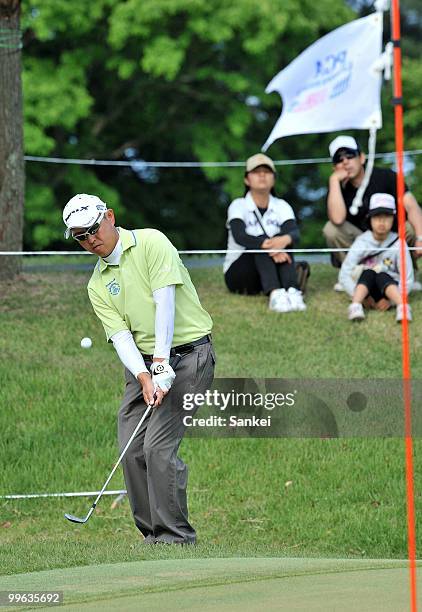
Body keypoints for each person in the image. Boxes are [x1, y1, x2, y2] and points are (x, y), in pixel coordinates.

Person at [62, 194, 215, 545]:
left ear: (110, 217)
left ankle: (176, 537)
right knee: (131, 449)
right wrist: (145, 375)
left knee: (157, 449)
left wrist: (161, 362)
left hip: (191, 355)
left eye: (92, 229)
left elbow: (165, 303)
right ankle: (152, 534)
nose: (90, 240)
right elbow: (120, 337)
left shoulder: (151, 242)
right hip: (143, 363)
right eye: (79, 236)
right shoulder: (97, 285)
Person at [324, 135, 422, 291]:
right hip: (360, 242)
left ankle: (405, 274)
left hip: (391, 239)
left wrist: (420, 238)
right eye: (339, 159)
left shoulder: (386, 176)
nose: (345, 162)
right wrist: (334, 182)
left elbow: (412, 206)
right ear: (335, 167)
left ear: (362, 157)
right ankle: (351, 275)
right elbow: (337, 219)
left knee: (410, 227)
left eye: (350, 155)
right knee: (331, 229)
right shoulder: (336, 188)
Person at [223, 153, 307, 313]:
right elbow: (239, 236)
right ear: (246, 179)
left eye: (267, 171)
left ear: (274, 178)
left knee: (283, 241)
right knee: (263, 242)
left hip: (267, 271)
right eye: (256, 171)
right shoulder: (238, 205)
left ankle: (292, 292)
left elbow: (294, 233)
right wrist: (268, 244)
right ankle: (275, 294)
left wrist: (282, 241)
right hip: (239, 275)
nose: (262, 175)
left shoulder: (282, 205)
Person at [339, 193, 414, 322]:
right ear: (370, 219)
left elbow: (407, 277)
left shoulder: (399, 243)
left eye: (387, 217)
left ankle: (402, 307)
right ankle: (355, 306)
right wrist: (361, 297)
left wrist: (390, 302)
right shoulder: (362, 241)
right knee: (368, 273)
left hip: (390, 288)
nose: (382, 221)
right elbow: (344, 273)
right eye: (377, 216)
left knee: (382, 275)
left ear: (393, 220)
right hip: (365, 288)